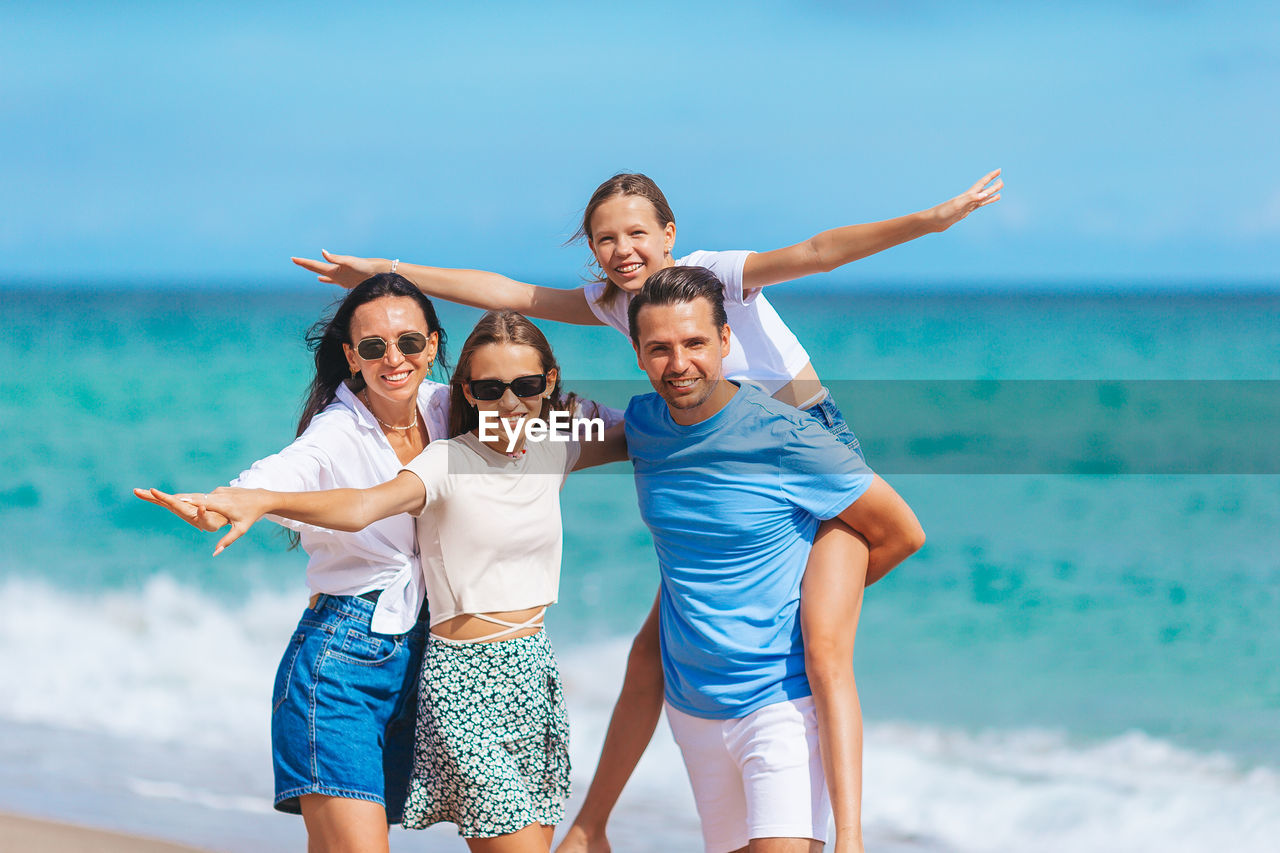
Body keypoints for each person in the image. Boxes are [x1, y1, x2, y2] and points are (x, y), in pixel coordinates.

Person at [292, 170, 997, 850]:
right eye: (604, 239)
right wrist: (385, 274)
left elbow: (815, 253)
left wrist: (928, 222)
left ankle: (850, 835)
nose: (622, 250)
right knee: (651, 650)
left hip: (805, 451)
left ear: (669, 234)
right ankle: (593, 825)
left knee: (820, 646)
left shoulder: (709, 277)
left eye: (636, 233)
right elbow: (509, 292)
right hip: (703, 466)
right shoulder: (613, 304)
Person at [143, 310, 628, 853]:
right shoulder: (445, 461)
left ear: (550, 383)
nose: (509, 403)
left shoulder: (557, 444)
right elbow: (361, 505)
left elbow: (649, 433)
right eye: (491, 388)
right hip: (466, 685)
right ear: (468, 389)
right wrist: (260, 499)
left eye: (527, 386)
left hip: (535, 675)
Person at [136, 273, 450, 853]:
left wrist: (652, 422)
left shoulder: (449, 408)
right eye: (374, 347)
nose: (394, 359)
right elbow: (286, 470)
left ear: (432, 344)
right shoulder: (336, 430)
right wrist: (229, 502)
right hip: (340, 668)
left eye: (409, 342)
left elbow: (546, 415)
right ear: (352, 356)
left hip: (424, 665)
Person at [622, 266, 923, 853]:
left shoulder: (784, 437)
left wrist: (817, 605)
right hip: (694, 712)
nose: (678, 363)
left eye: (694, 344)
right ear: (636, 352)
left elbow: (900, 532)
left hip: (781, 704)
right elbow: (557, 431)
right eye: (659, 349)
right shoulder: (643, 424)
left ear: (726, 341)